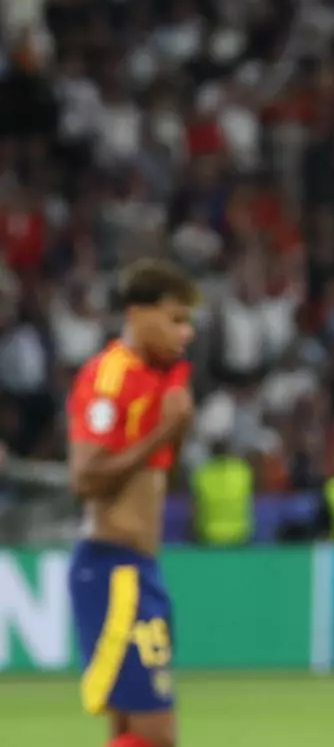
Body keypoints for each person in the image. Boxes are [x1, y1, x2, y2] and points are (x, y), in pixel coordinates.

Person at [65, 259, 199, 747]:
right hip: (113, 567)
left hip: (140, 567)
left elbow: (157, 476)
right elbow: (85, 479)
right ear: (137, 313)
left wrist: (174, 433)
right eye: (175, 318)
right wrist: (165, 429)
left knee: (131, 731)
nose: (185, 333)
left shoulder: (164, 377)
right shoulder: (110, 376)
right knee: (156, 734)